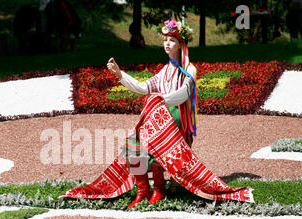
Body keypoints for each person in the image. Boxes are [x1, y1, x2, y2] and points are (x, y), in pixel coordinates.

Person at [61, 19, 254, 207]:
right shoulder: (164, 71)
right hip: (158, 114)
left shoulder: (189, 69)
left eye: (171, 40)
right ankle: (142, 191)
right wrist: (120, 74)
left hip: (176, 117)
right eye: (164, 40)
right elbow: (143, 87)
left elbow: (183, 94)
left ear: (181, 44)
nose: (167, 44)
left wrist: (160, 99)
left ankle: (159, 190)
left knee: (153, 148)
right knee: (133, 145)